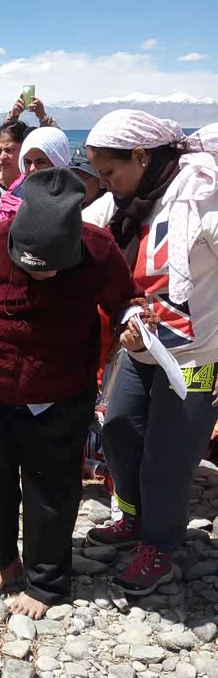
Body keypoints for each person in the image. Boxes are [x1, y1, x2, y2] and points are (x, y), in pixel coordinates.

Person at [0, 168, 147, 618]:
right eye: (32, 266)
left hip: (63, 391)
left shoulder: (99, 248)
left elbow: (125, 300)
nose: (43, 275)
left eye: (52, 267)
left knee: (53, 488)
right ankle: (7, 562)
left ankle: (47, 581)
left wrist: (132, 322)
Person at [82, 111, 218, 595]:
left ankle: (160, 546)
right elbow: (75, 234)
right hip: (141, 350)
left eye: (109, 171)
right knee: (119, 431)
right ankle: (134, 518)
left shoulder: (200, 198)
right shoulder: (123, 204)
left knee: (168, 456)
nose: (103, 183)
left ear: (141, 157)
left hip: (197, 359)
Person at [0, 127, 71, 224]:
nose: (32, 168)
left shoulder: (77, 198)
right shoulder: (14, 197)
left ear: (59, 161)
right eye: (27, 162)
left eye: (41, 162)